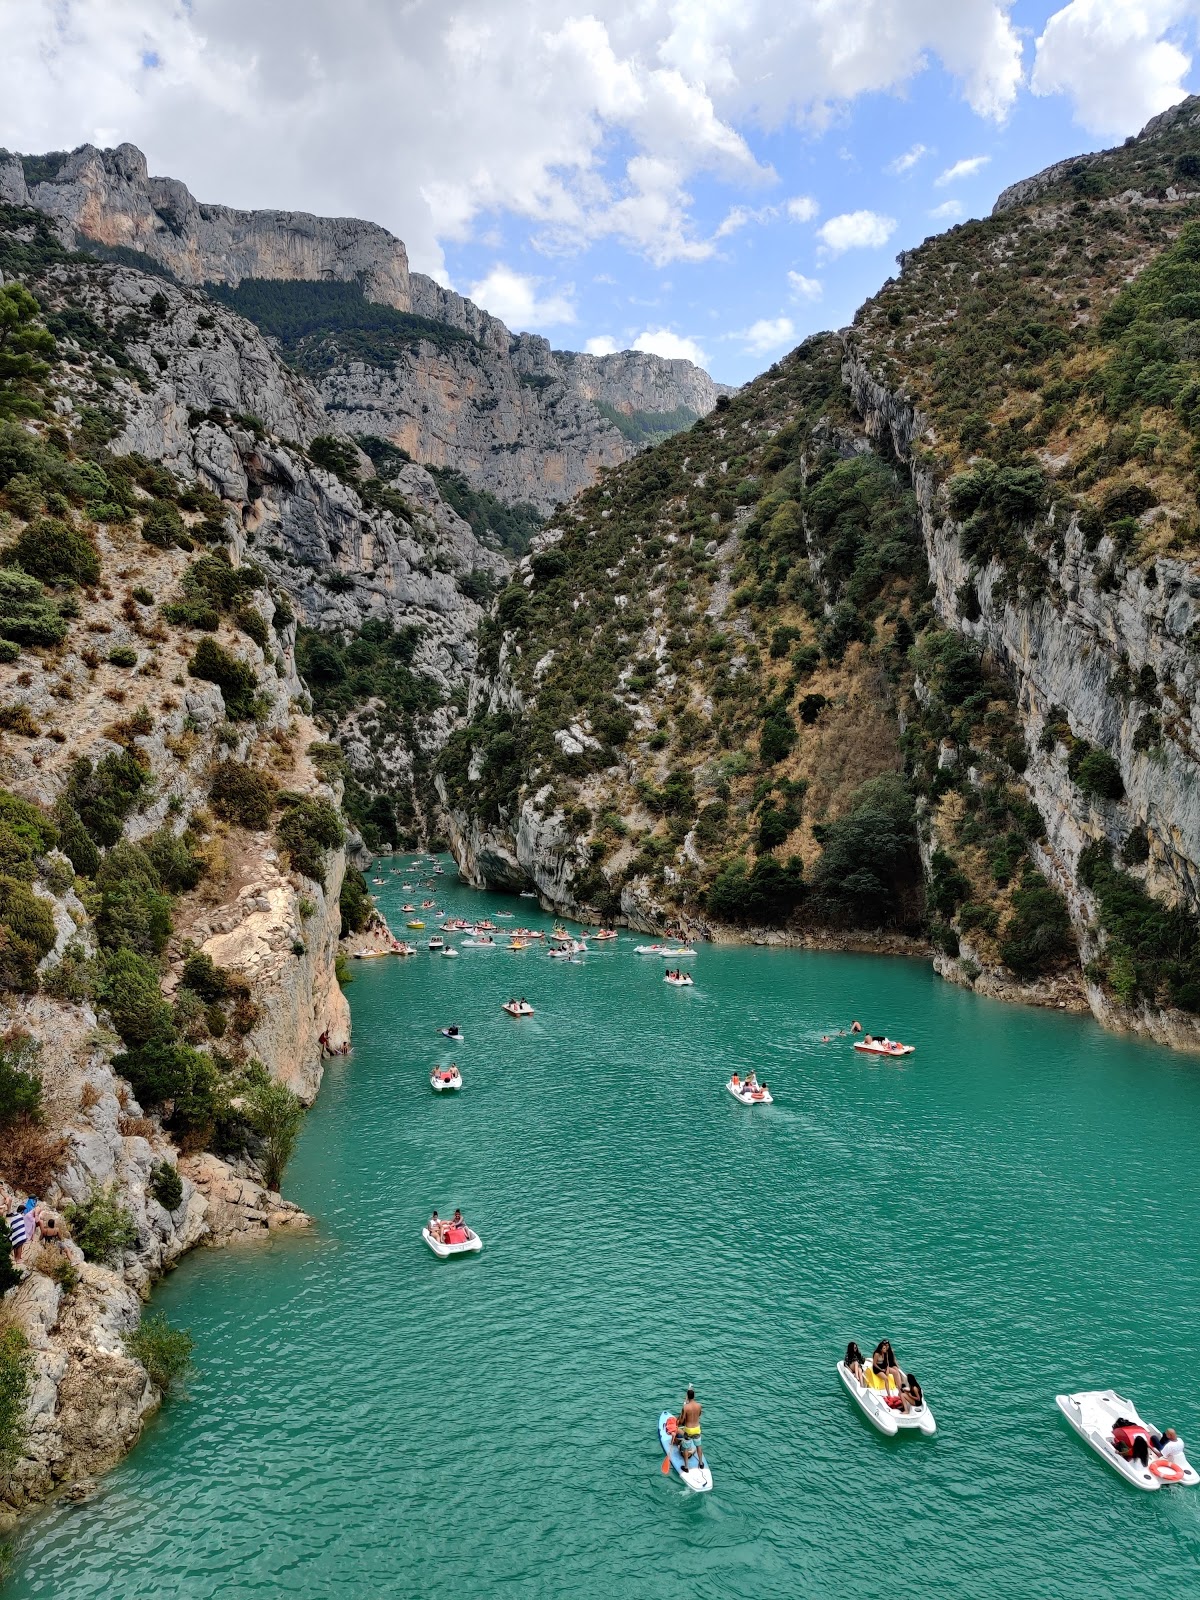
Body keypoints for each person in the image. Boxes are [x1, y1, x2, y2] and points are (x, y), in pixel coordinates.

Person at [677, 1386, 705, 1472]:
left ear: (687, 1397)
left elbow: (682, 1420)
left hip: (688, 1430)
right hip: (697, 1429)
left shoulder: (685, 1407)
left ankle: (686, 1467)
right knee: (698, 1446)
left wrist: (679, 1422)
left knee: (685, 1448)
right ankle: (701, 1463)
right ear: (694, 1396)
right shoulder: (699, 1405)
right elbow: (699, 1415)